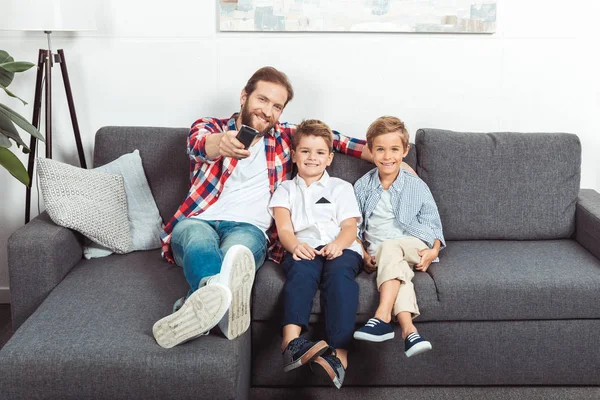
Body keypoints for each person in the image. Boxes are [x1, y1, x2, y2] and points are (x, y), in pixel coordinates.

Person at [152, 67, 373, 349]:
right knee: (197, 240)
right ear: (244, 96)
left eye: (277, 106)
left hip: (250, 229)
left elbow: (339, 141)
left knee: (237, 254)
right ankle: (214, 298)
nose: (268, 111)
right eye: (262, 100)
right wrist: (223, 143)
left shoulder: (284, 136)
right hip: (200, 219)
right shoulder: (210, 126)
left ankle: (198, 305)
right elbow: (198, 145)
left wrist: (391, 161)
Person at [270, 120, 363, 389]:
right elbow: (284, 227)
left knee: (340, 279)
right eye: (306, 151)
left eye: (320, 152)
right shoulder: (285, 190)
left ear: (330, 158)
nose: (312, 158)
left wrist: (339, 244)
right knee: (301, 274)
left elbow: (349, 227)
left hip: (340, 248)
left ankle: (339, 356)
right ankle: (291, 343)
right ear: (294, 154)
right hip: (304, 247)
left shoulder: (341, 188)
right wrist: (294, 246)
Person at [352, 116, 445, 358]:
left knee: (390, 247)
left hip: (414, 244)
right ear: (371, 152)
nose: (387, 156)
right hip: (381, 253)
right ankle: (409, 331)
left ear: (404, 151)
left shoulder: (415, 185)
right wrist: (363, 254)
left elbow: (433, 224)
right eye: (380, 150)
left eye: (394, 149)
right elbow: (354, 227)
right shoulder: (362, 186)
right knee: (398, 271)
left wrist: (433, 250)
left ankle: (381, 316)